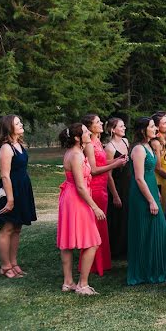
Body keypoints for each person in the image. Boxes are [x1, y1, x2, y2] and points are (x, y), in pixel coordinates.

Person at [57, 123, 104, 295]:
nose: (88, 133)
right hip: (77, 199)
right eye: (85, 131)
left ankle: (68, 282)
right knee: (93, 241)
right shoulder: (76, 155)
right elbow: (80, 186)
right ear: (77, 138)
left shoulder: (75, 152)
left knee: (68, 242)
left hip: (70, 197)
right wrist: (95, 207)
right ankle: (82, 285)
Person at [0, 115, 37, 279]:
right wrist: (10, 199)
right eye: (17, 123)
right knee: (7, 228)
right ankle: (5, 266)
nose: (21, 124)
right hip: (10, 191)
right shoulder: (6, 148)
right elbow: (5, 176)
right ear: (9, 128)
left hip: (22, 189)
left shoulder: (19, 145)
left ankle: (14, 263)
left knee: (17, 228)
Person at [127, 117, 166, 285]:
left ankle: (156, 268)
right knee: (145, 230)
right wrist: (151, 200)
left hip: (151, 189)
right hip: (141, 194)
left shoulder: (149, 145)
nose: (155, 129)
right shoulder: (139, 149)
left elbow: (151, 173)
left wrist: (156, 194)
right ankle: (144, 271)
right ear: (142, 130)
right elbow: (138, 178)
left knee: (158, 229)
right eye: (152, 126)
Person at [80, 114, 126, 275]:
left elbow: (101, 163)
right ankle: (93, 264)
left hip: (103, 188)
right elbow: (93, 170)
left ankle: (103, 262)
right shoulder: (89, 145)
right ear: (89, 126)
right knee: (96, 225)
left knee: (102, 225)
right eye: (97, 122)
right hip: (95, 188)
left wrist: (116, 160)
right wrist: (115, 164)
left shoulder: (98, 141)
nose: (101, 124)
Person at [151, 111, 166, 264]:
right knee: (165, 215)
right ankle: (164, 253)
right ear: (157, 125)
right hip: (162, 180)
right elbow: (158, 168)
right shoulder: (156, 142)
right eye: (165, 121)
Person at [104, 117, 130, 259]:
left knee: (127, 215)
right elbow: (109, 175)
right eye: (121, 126)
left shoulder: (126, 142)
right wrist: (115, 195)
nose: (124, 128)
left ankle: (126, 247)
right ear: (113, 130)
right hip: (117, 184)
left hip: (128, 182)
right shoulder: (110, 148)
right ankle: (116, 250)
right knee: (118, 217)